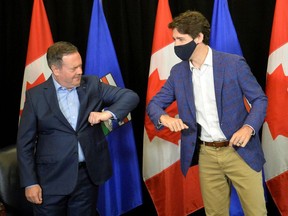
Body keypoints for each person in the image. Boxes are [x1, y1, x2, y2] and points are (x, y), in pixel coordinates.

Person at [146, 10, 268, 216]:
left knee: (256, 213)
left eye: (180, 39)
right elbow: (154, 105)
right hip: (207, 155)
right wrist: (164, 118)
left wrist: (248, 128)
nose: (176, 45)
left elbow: (259, 99)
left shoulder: (233, 64)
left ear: (199, 37)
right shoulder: (178, 72)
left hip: (240, 151)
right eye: (174, 39)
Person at [17, 41, 139, 215]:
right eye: (73, 68)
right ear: (56, 69)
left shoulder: (92, 85)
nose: (80, 72)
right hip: (50, 180)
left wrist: (106, 114)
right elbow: (25, 144)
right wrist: (30, 182)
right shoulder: (36, 96)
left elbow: (130, 96)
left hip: (86, 177)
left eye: (80, 66)